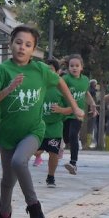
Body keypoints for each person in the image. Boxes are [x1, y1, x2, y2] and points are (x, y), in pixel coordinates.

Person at [0, 26, 83, 218]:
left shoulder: (40, 70)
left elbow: (61, 83)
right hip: (8, 134)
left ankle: (34, 206)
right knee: (8, 181)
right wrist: (8, 89)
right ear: (11, 44)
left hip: (34, 131)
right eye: (18, 42)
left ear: (34, 49)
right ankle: (4, 214)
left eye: (28, 45)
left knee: (19, 162)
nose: (22, 47)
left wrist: (74, 107)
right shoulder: (1, 71)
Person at [37, 58, 71, 187]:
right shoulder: (38, 87)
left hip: (54, 127)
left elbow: (70, 108)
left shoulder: (61, 89)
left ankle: (50, 177)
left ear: (57, 72)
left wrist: (60, 109)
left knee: (53, 153)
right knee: (32, 151)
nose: (47, 74)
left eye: (50, 71)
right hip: (38, 126)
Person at [60, 54, 96, 175]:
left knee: (73, 134)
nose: (74, 68)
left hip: (78, 114)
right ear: (68, 67)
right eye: (71, 66)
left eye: (77, 66)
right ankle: (63, 144)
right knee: (66, 136)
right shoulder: (65, 79)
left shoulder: (85, 80)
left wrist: (92, 104)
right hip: (65, 112)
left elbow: (86, 93)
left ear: (81, 67)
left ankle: (73, 163)